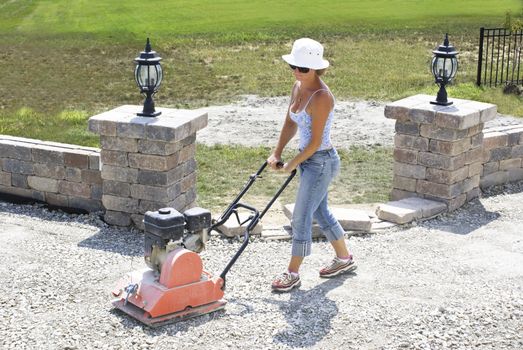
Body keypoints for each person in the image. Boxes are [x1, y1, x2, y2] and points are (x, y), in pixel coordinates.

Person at [267, 38, 356, 292]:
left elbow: (316, 142)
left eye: (303, 69)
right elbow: (290, 123)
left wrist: (291, 164)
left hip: (321, 162)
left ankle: (292, 273)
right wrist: (277, 153)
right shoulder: (298, 87)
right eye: (293, 66)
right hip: (308, 161)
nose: (297, 72)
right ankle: (344, 259)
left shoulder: (322, 97)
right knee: (319, 211)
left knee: (301, 215)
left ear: (316, 69)